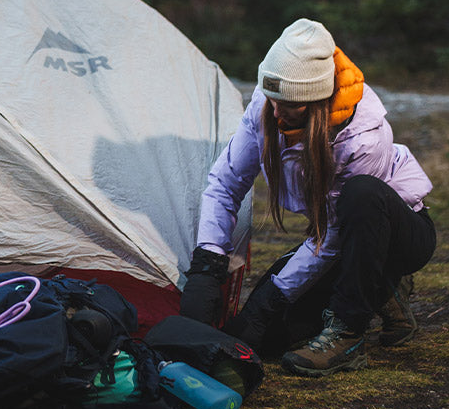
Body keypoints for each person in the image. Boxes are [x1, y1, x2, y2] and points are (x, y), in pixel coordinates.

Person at [179, 19, 435, 378]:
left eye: (288, 105)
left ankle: (349, 330)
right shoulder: (269, 106)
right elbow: (226, 181)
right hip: (340, 239)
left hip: (400, 233)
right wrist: (209, 261)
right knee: (269, 339)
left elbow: (330, 237)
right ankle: (380, 289)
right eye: (272, 99)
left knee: (361, 195)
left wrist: (270, 298)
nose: (276, 111)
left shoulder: (364, 134)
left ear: (315, 101)